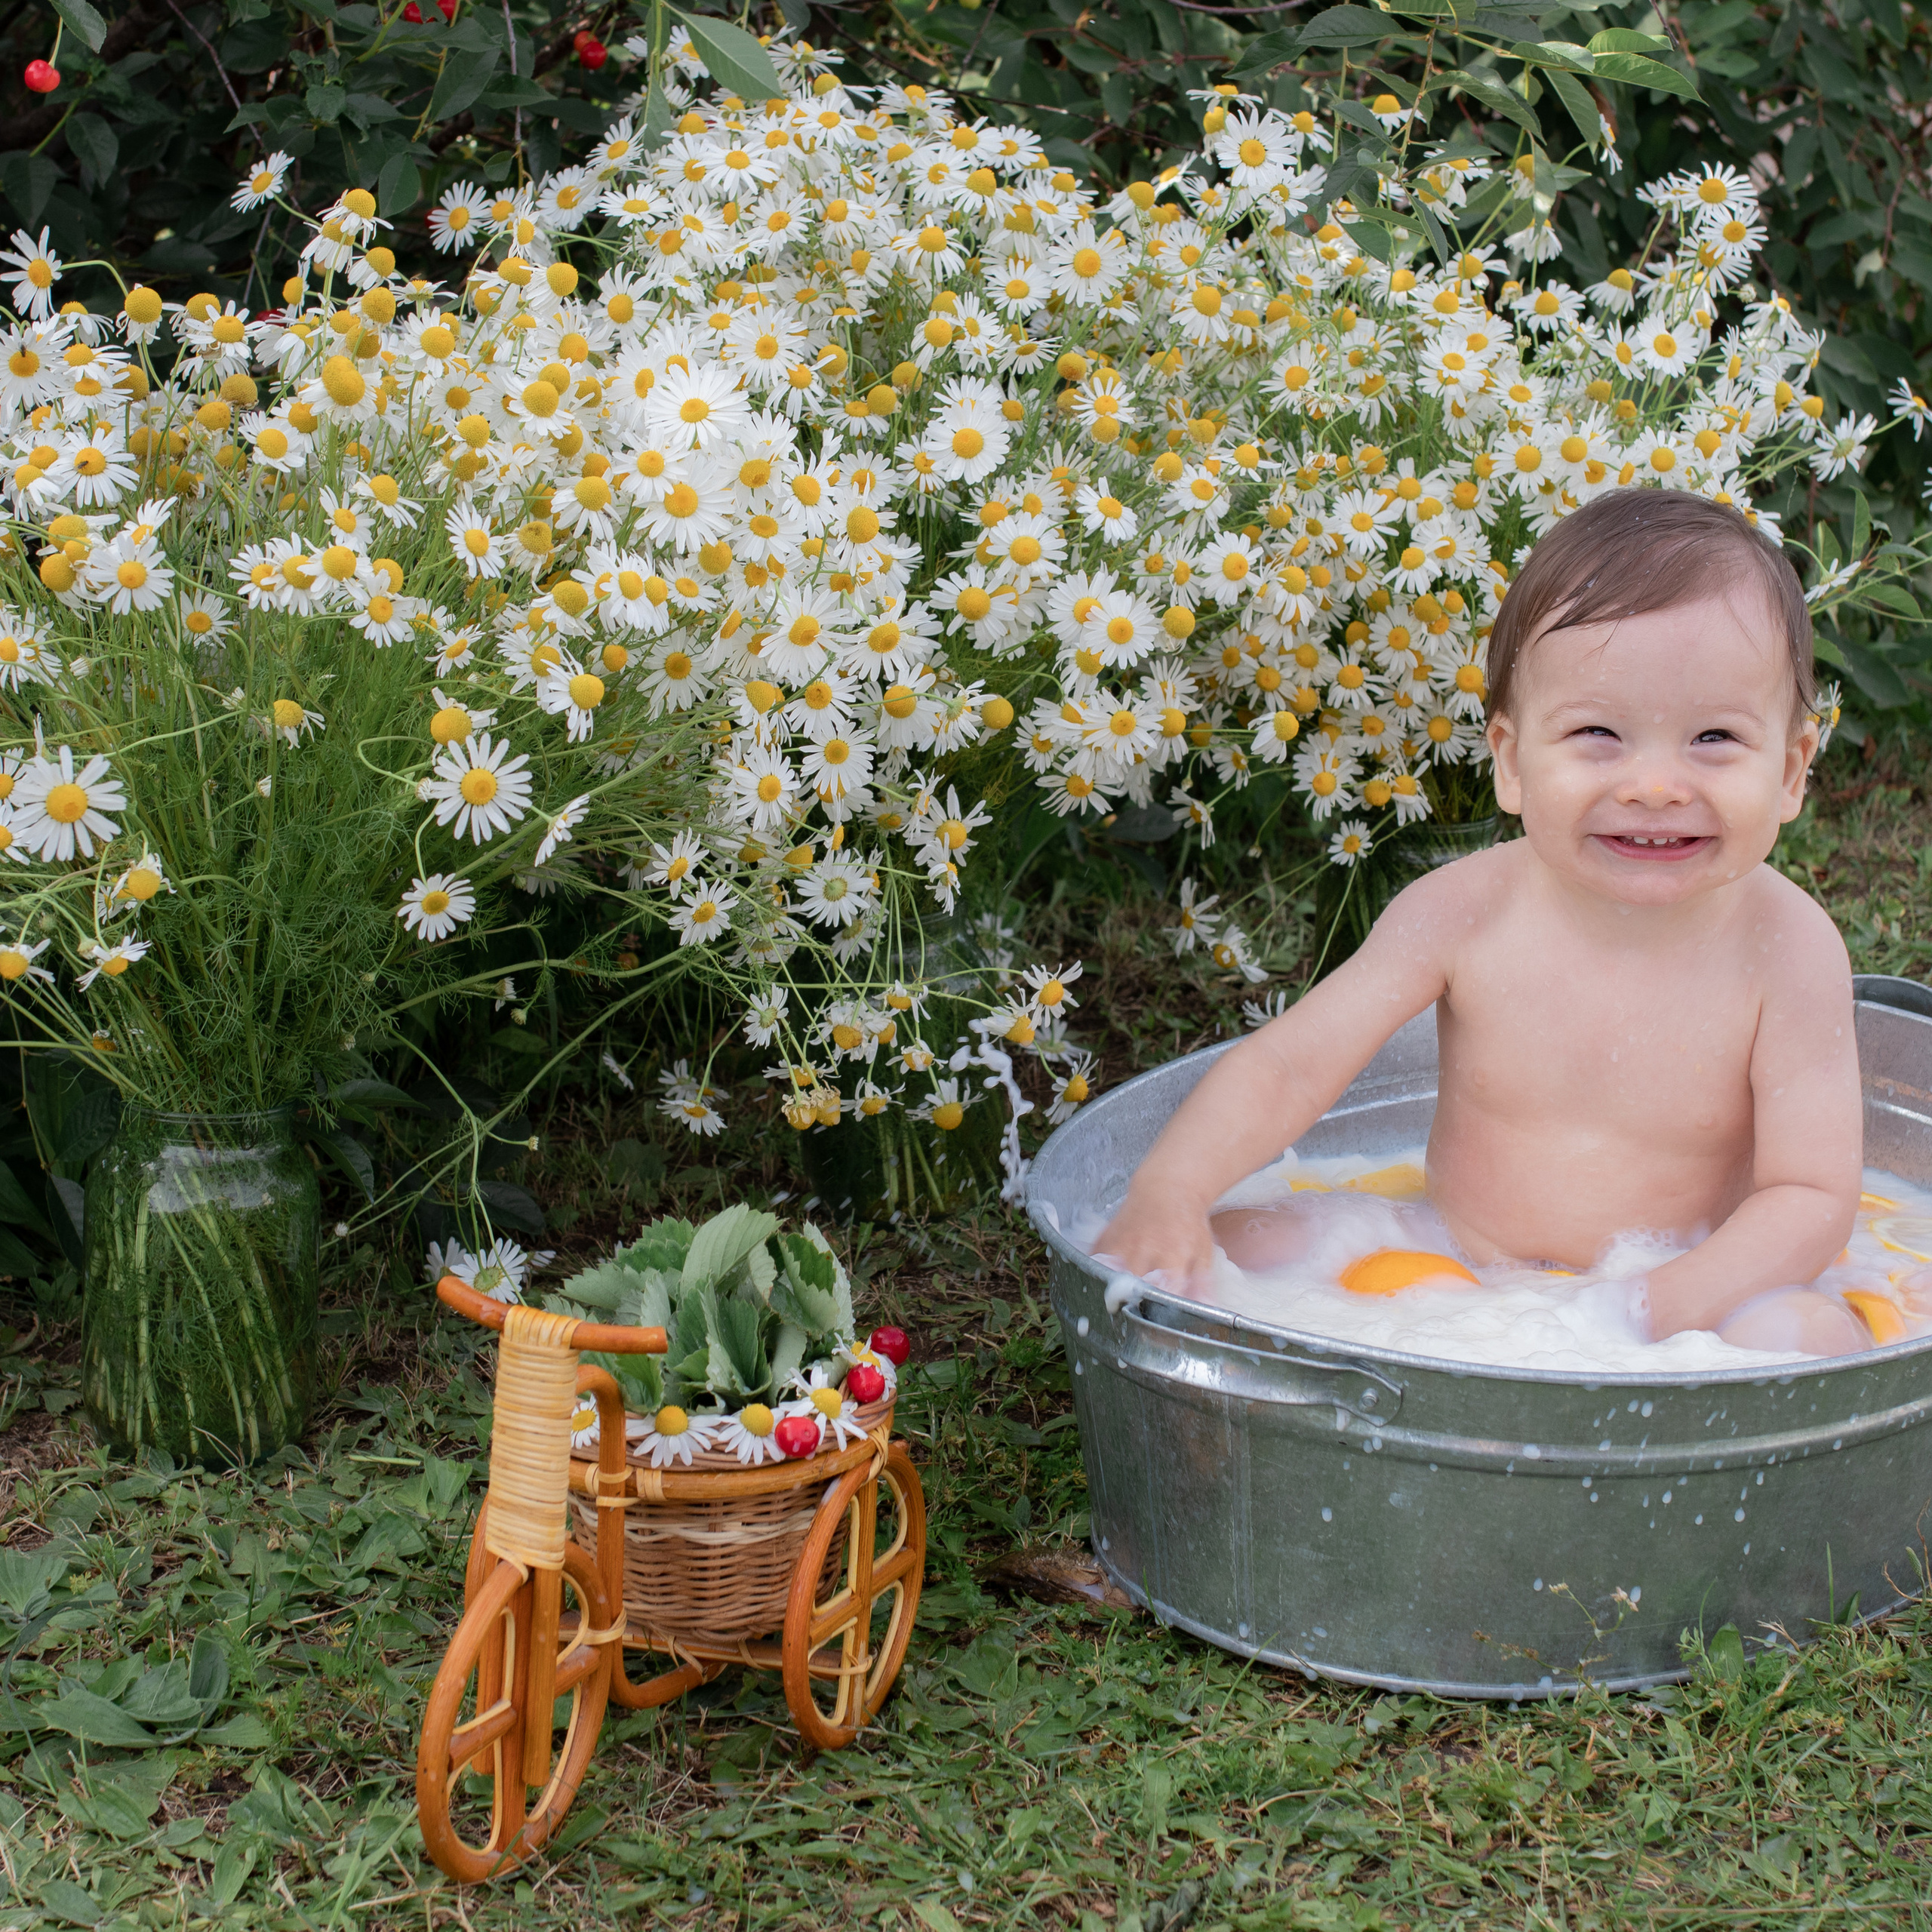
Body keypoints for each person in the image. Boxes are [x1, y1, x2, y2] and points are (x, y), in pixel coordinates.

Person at [1095, 488, 1869, 1357]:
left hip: (1694, 1286)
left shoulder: (1786, 948)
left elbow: (1809, 1195)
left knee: (1810, 1336)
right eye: (1599, 733)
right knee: (1222, 1244)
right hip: (1455, 1256)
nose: (1654, 786)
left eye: (1714, 738)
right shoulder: (1462, 911)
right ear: (1511, 761)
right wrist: (1172, 1188)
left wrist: (1647, 1310)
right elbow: (1288, 1067)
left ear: (1791, 771)